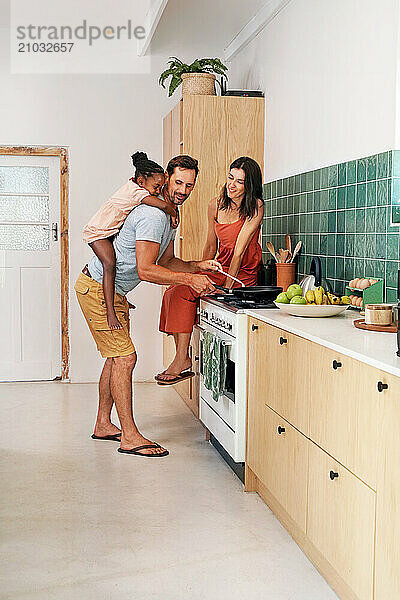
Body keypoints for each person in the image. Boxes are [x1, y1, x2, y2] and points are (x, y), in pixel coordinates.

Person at [75, 155, 219, 458]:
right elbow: (146, 270)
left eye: (189, 185)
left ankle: (103, 423)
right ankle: (129, 436)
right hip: (97, 289)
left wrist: (196, 267)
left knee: (116, 358)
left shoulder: (169, 215)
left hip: (112, 291)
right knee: (126, 358)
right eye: (178, 182)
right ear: (165, 177)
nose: (183, 189)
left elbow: (165, 262)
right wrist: (189, 281)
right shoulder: (154, 215)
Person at [156, 156, 264, 385]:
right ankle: (182, 357)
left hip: (241, 274)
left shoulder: (255, 207)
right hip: (220, 267)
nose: (232, 185)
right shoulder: (215, 204)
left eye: (240, 182)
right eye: (230, 178)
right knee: (175, 290)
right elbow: (210, 246)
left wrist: (228, 286)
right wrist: (198, 275)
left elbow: (239, 250)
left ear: (250, 185)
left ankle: (180, 359)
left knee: (182, 291)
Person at [83, 151, 179, 330]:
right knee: (110, 264)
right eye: (156, 187)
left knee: (121, 255)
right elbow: (163, 205)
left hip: (108, 230)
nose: (158, 191)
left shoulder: (137, 186)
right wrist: (175, 212)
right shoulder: (137, 192)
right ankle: (110, 311)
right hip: (97, 233)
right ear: (142, 181)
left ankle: (119, 300)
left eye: (161, 187)